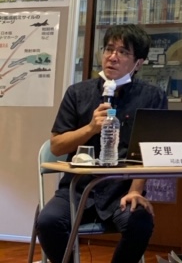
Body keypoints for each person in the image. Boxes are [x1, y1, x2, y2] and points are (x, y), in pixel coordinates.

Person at [37, 24, 168, 263]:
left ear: (138, 63)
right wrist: (90, 128)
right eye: (109, 49)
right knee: (48, 222)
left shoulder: (152, 97)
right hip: (76, 189)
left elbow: (150, 152)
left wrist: (136, 190)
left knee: (140, 222)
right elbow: (57, 146)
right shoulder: (78, 93)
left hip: (122, 191)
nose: (112, 57)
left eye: (123, 52)